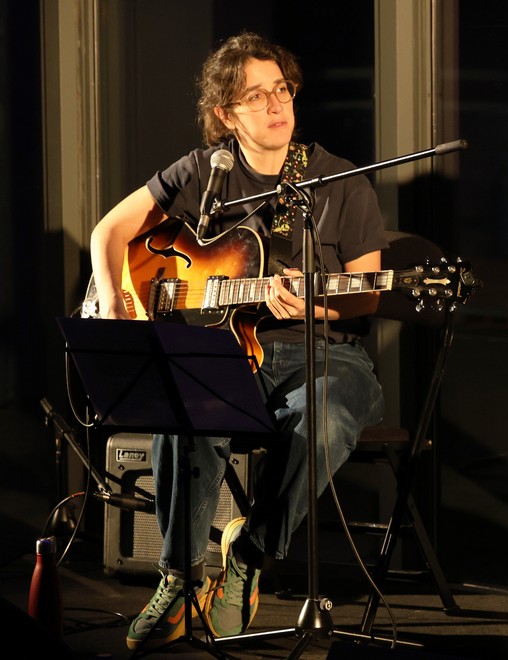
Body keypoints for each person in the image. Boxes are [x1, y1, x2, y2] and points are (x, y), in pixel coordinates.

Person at [89, 32, 387, 650]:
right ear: (226, 113)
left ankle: (249, 555)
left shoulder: (341, 181)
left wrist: (315, 300)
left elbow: (367, 293)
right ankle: (177, 577)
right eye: (258, 95)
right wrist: (121, 307)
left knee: (325, 418)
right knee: (187, 409)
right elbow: (109, 231)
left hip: (323, 349)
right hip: (224, 350)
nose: (277, 104)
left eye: (283, 89)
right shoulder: (205, 172)